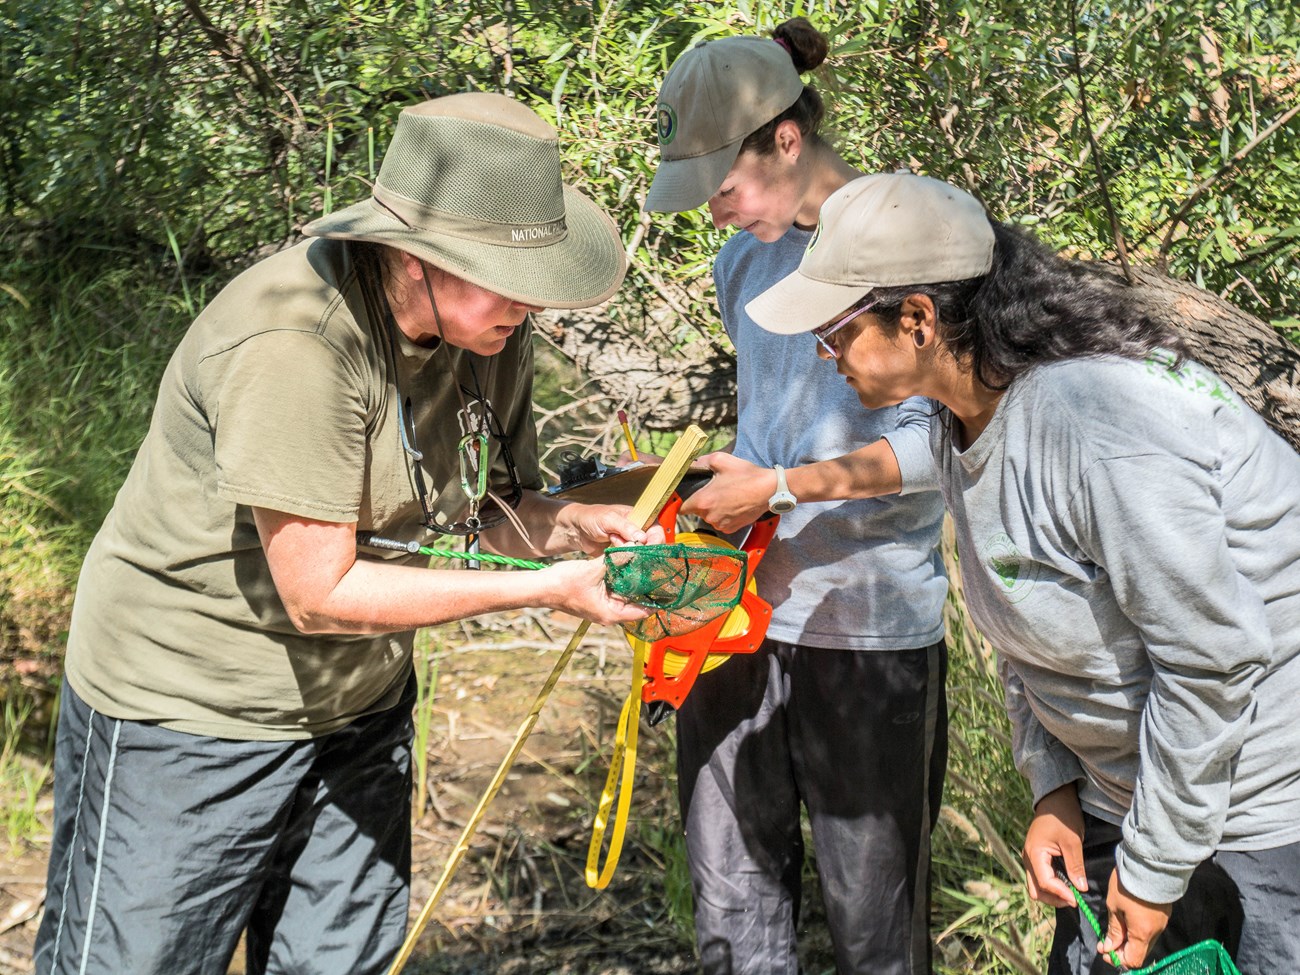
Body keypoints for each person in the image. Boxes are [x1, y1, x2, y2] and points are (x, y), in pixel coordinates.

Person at [33, 93, 662, 975]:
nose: (529, 306)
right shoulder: (299, 340)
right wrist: (547, 589)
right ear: (411, 258)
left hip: (360, 709)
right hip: (188, 715)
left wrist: (573, 530)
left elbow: (488, 516)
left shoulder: (491, 328)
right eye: (504, 275)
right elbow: (319, 592)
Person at [745, 170, 1300, 972]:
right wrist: (1054, 789)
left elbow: (1213, 656)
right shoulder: (957, 422)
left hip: (1258, 814)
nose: (824, 355)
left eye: (834, 332)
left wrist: (1150, 869)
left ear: (919, 318)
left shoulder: (1094, 418)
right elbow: (1022, 623)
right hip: (1137, 809)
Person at [643, 20, 949, 975]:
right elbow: (772, 419)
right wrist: (701, 490)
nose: (720, 215)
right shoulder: (743, 261)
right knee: (734, 906)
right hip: (732, 617)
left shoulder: (910, 241)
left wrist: (776, 485)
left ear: (784, 140)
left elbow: (934, 445)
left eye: (724, 189)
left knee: (875, 926)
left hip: (868, 631)